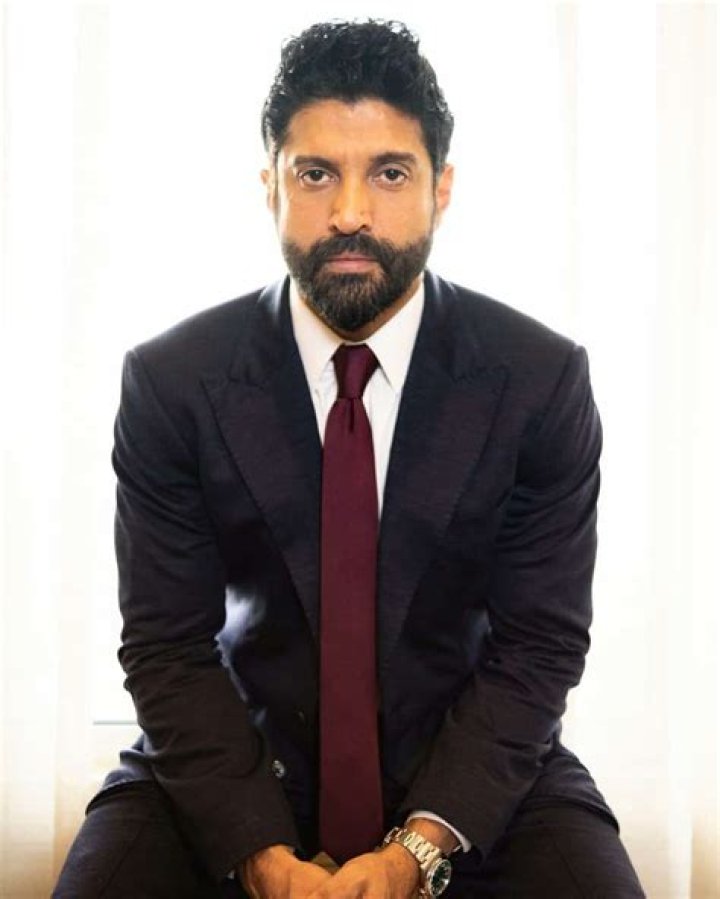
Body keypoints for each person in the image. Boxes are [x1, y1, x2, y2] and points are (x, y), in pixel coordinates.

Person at [54, 19, 646, 899]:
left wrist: (418, 849)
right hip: (232, 760)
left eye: (390, 173)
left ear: (443, 188)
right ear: (271, 186)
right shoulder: (173, 380)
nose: (351, 213)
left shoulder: (539, 379)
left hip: (472, 767)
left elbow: (539, 646)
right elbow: (166, 646)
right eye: (316, 173)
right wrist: (258, 850)